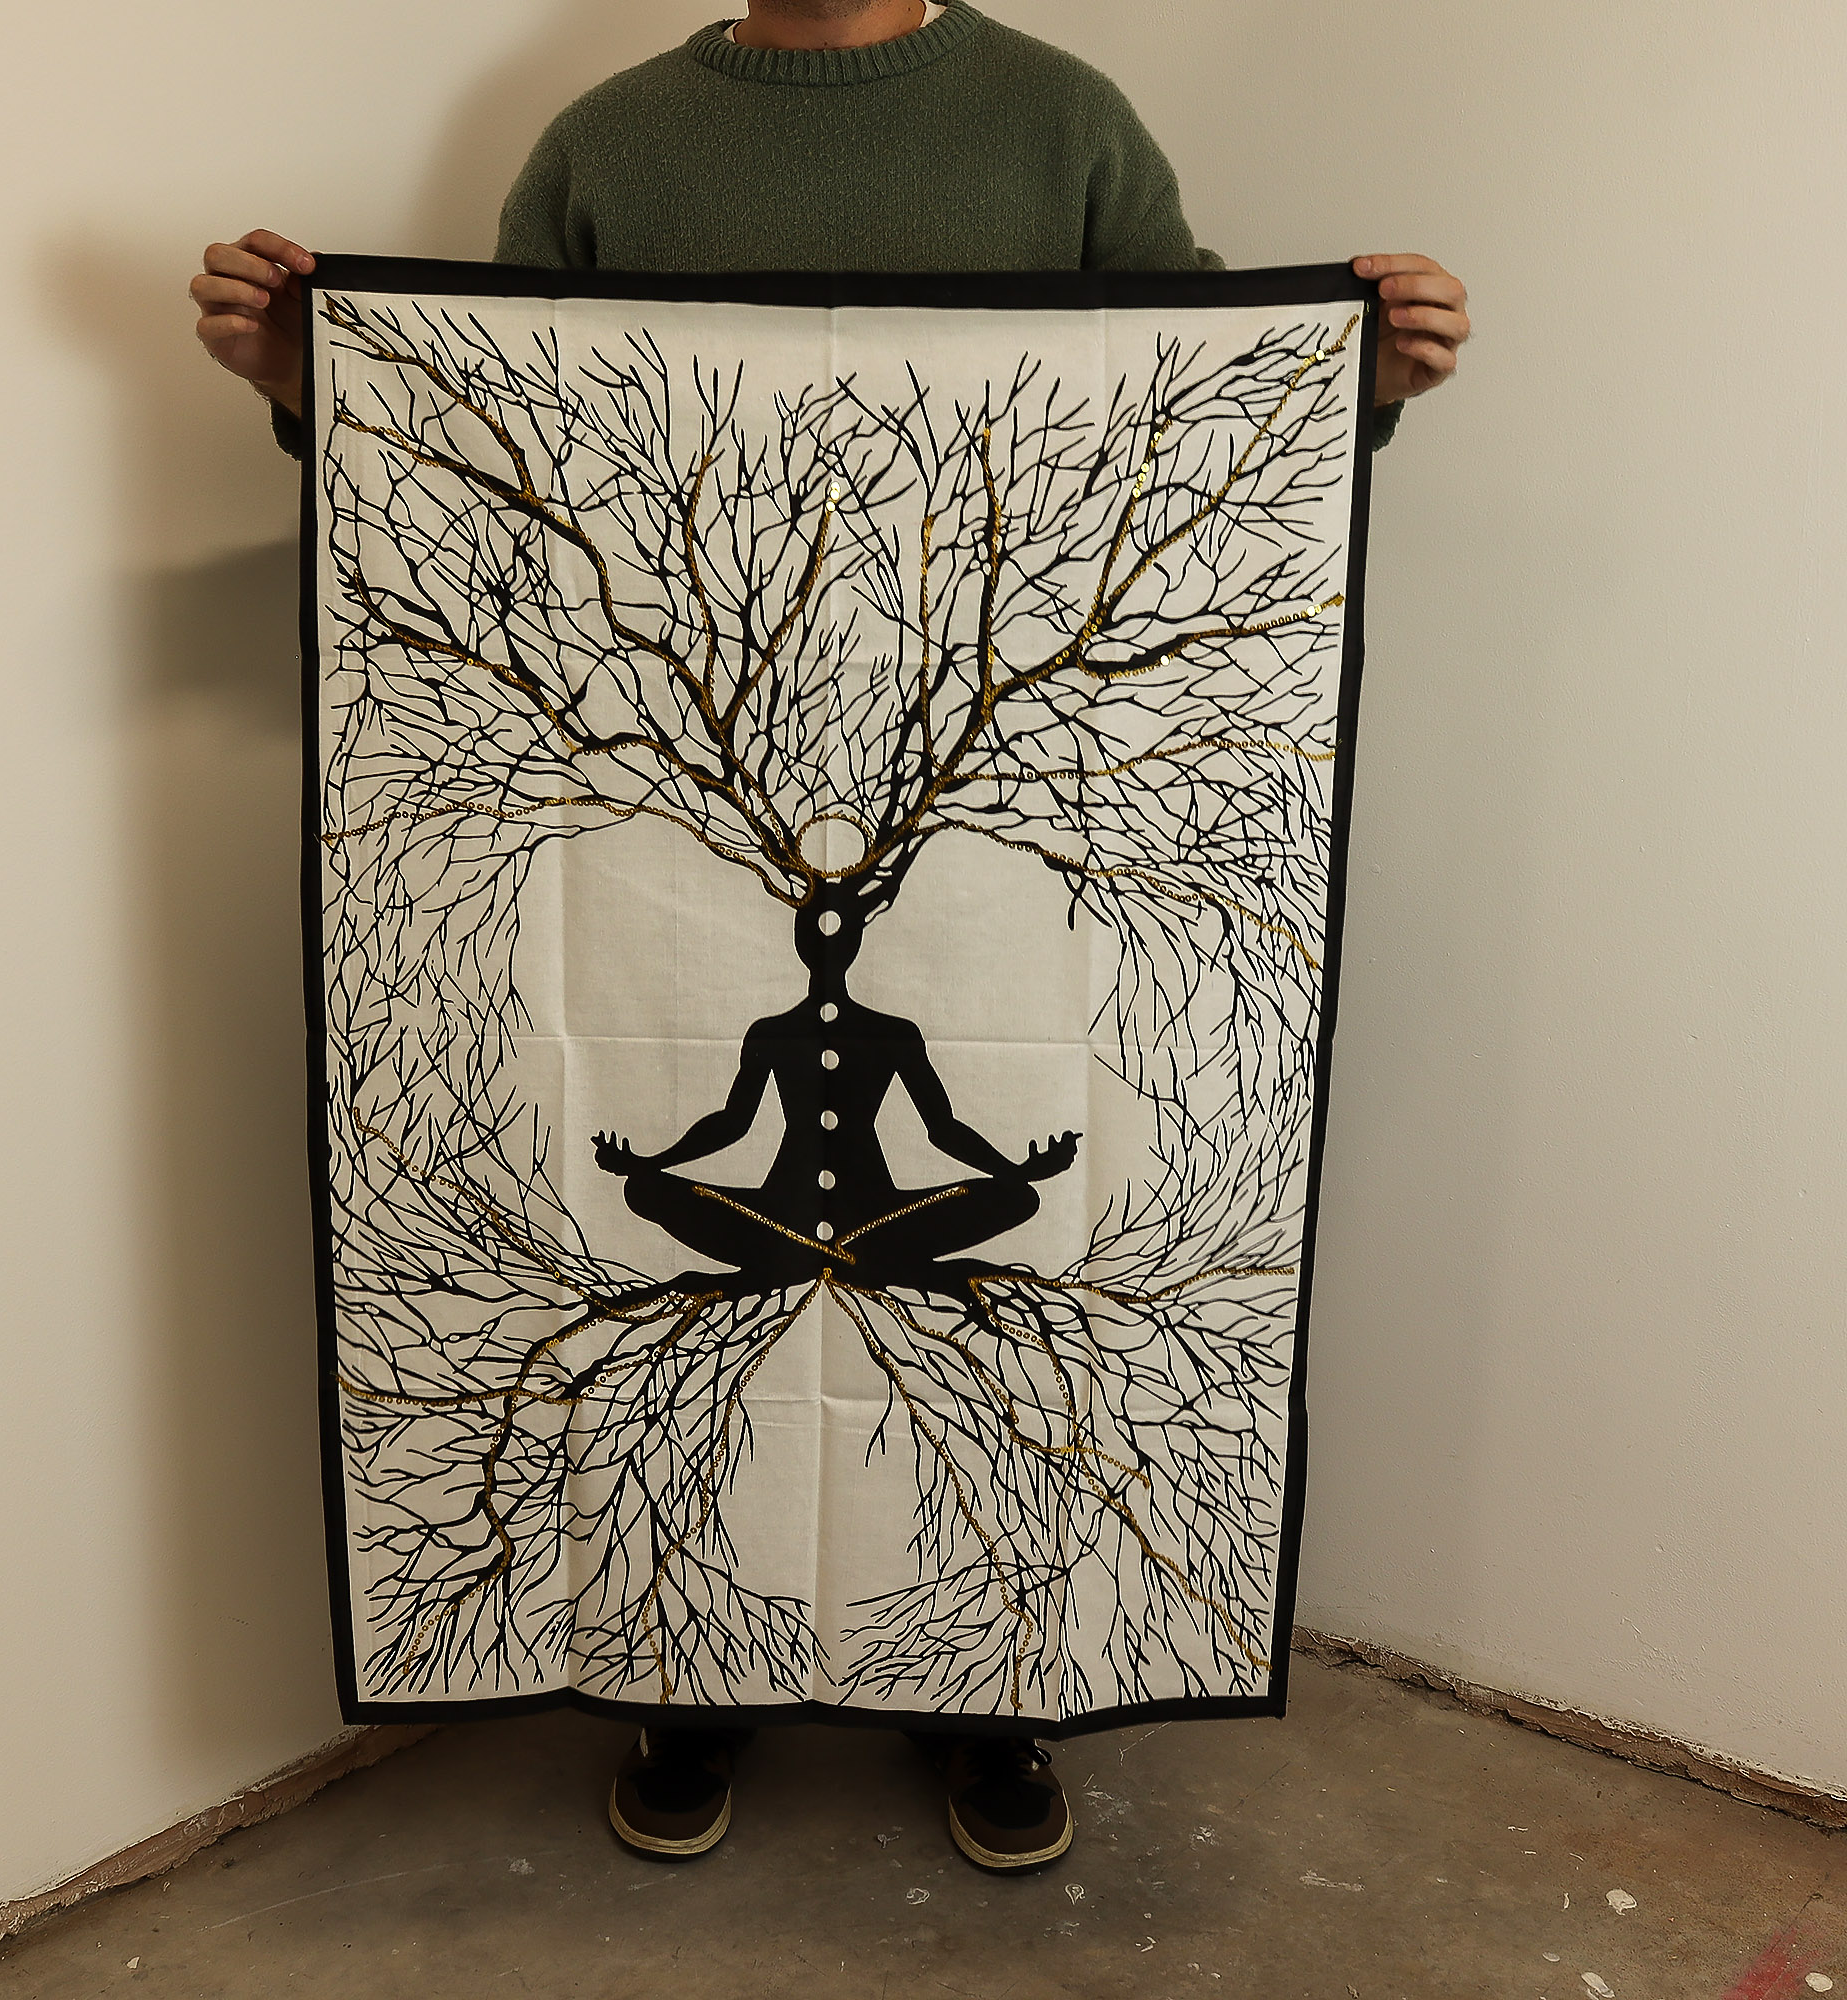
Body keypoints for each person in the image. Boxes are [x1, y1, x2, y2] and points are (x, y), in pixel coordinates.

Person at [190, 0, 1471, 1875]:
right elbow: (486, 458)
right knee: (643, 1303)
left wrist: (1363, 381)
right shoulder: (611, 144)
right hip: (671, 851)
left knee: (1009, 1320)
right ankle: (679, 1668)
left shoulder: (1065, 125)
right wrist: (311, 379)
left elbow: (1202, 423)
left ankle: (999, 1687)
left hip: (991, 838)